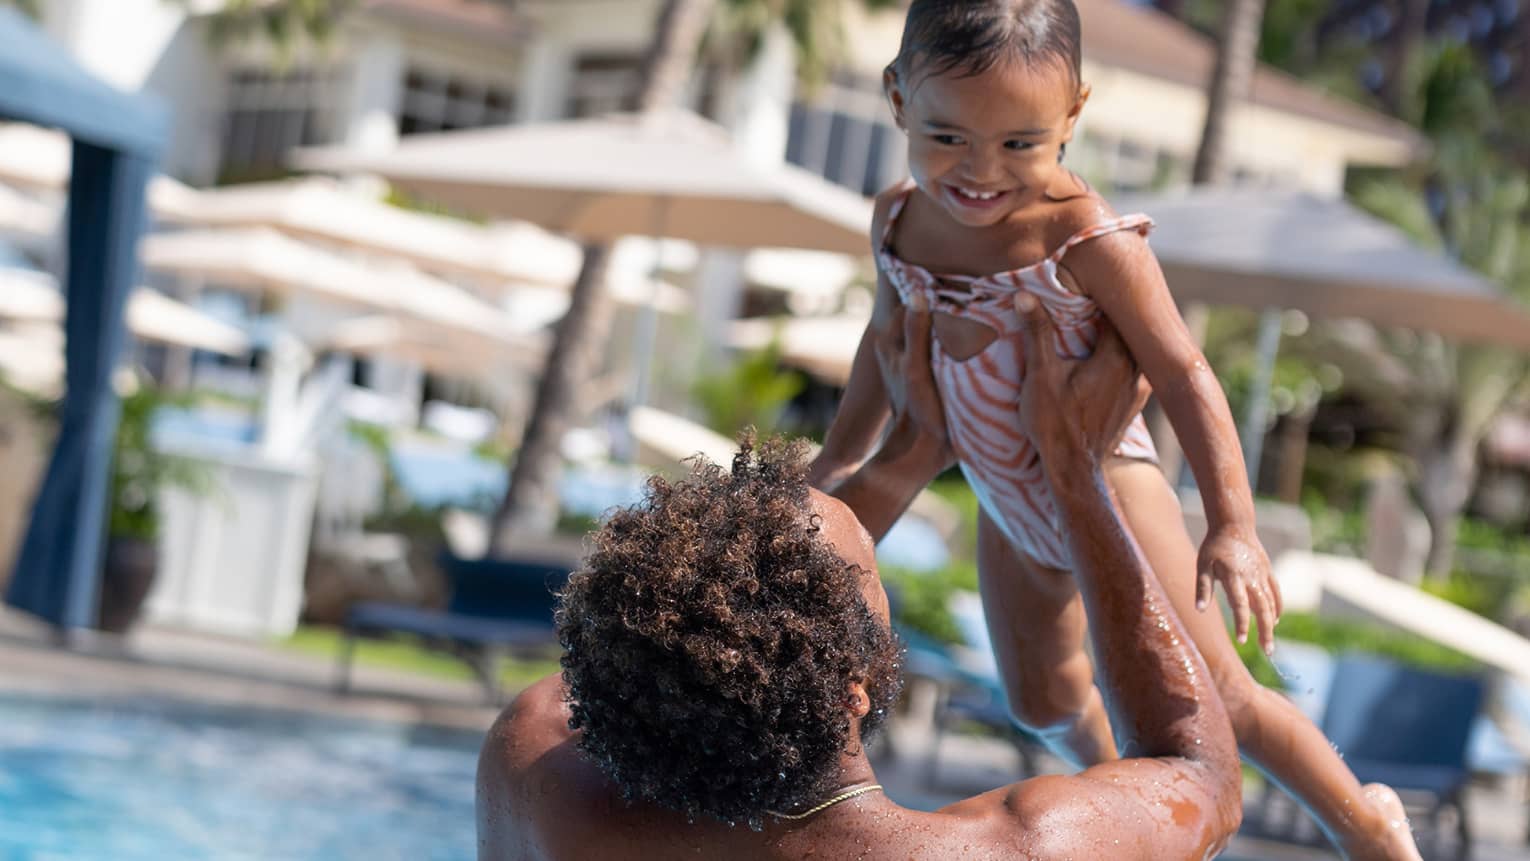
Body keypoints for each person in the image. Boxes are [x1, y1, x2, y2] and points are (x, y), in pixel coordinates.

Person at [805, 3, 1419, 858]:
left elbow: (1185, 373)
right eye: (948, 137)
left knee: (1221, 699)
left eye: (1021, 143)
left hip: (1111, 483)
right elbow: (884, 342)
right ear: (898, 99)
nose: (982, 171)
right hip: (1002, 492)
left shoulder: (1086, 240)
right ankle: (1127, 810)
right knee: (1042, 698)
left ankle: (1368, 825)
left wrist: (1234, 524)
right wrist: (841, 454)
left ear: (1075, 114)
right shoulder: (898, 223)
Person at [476, 300, 1243, 860]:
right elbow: (1199, 771)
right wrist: (1077, 473)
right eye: (872, 567)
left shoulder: (535, 767)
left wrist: (911, 452)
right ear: (854, 688)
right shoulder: (1009, 851)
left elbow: (671, 648)